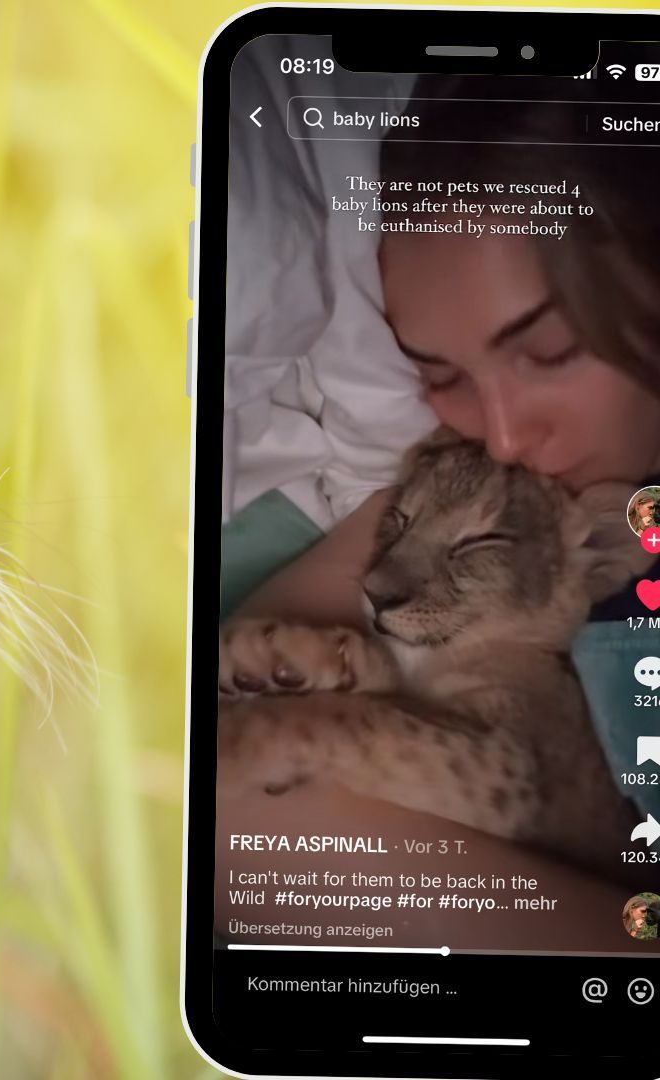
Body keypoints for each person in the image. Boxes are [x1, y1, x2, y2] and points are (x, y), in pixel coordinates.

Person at [218, 75, 660, 948]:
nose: (501, 434)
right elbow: (245, 681)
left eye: (550, 349)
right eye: (440, 375)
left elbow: (248, 791)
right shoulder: (480, 479)